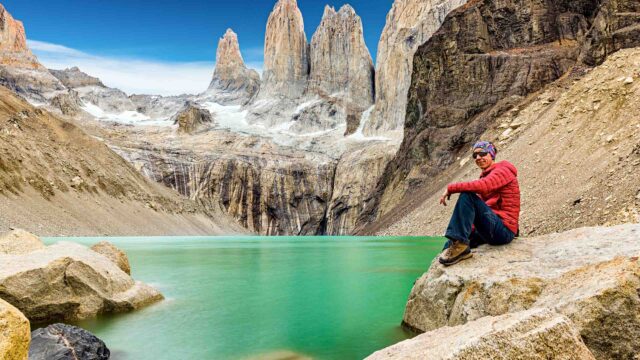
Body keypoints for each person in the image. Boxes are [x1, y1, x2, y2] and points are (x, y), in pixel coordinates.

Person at [438, 141, 520, 266]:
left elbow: (483, 186)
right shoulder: (486, 175)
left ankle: (461, 248)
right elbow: (481, 209)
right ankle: (458, 247)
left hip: (503, 230)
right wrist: (465, 233)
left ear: (491, 154)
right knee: (449, 244)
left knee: (467, 195)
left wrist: (451, 188)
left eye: (482, 153)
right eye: (475, 156)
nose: (478, 158)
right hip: (493, 227)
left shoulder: (503, 170)